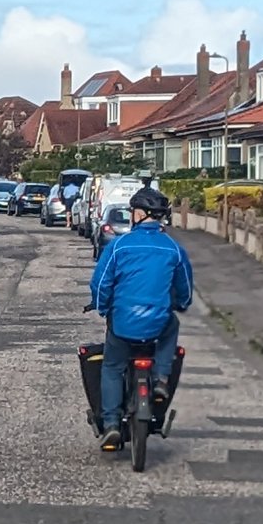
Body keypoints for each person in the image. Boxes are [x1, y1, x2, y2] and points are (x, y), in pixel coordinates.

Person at [89, 187, 193, 452]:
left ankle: (111, 423)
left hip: (123, 323)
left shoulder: (118, 246)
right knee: (172, 324)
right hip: (157, 323)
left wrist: (103, 309)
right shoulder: (174, 249)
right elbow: (186, 289)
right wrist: (181, 303)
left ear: (138, 214)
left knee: (112, 367)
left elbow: (100, 284)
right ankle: (160, 378)